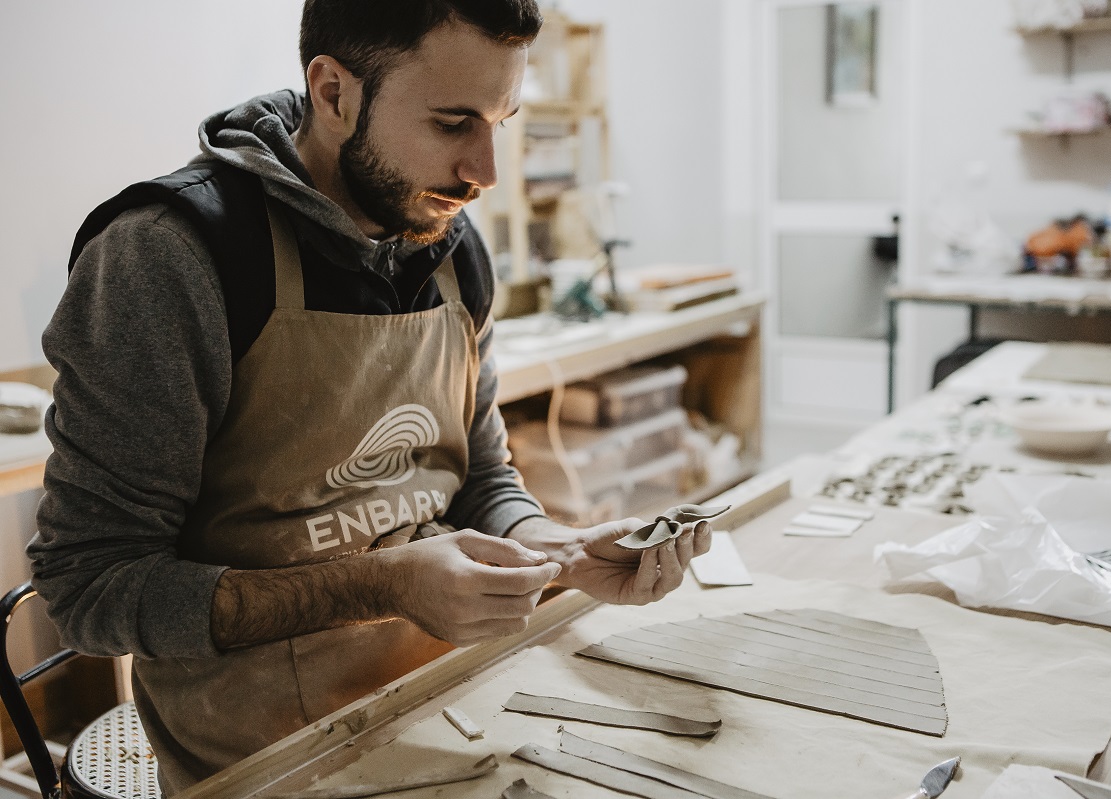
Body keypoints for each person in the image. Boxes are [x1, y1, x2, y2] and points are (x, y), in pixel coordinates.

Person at [27, 0, 711, 792]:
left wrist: (561, 552)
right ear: (333, 92)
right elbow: (90, 587)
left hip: (457, 698)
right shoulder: (170, 257)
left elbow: (481, 478)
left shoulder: (451, 245)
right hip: (269, 754)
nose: (486, 173)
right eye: (454, 123)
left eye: (501, 121)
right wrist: (386, 583)